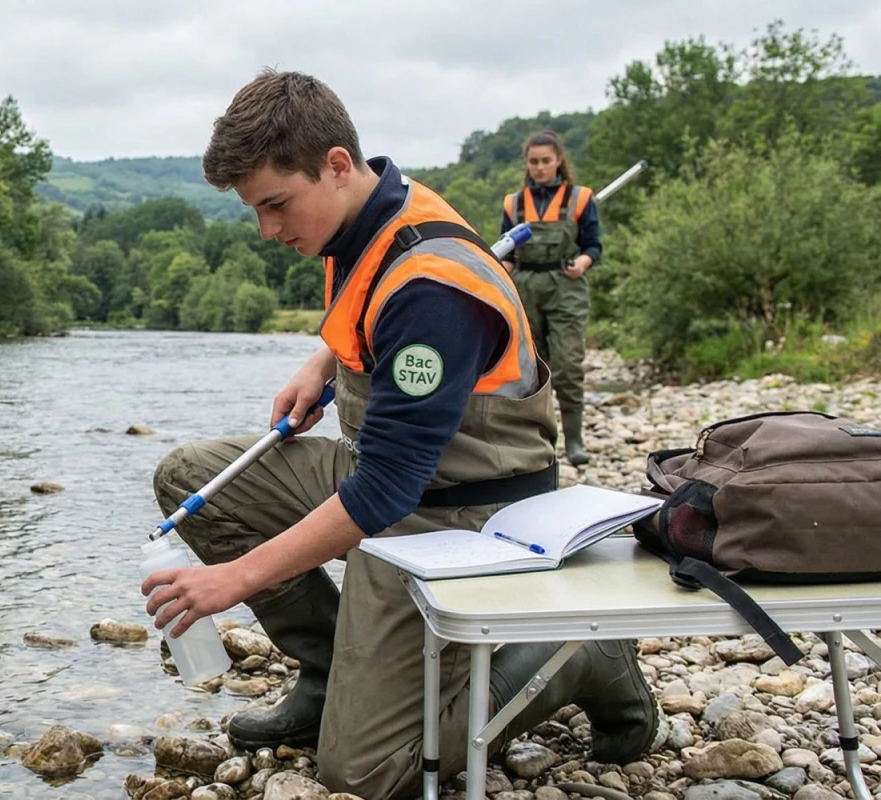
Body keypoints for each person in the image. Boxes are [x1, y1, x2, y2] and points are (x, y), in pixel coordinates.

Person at [141, 70, 659, 799]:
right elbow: (373, 312)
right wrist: (322, 360)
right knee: (191, 479)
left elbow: (386, 489)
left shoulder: (430, 288)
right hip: (390, 477)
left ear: (337, 166)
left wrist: (236, 579)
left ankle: (573, 657)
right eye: (256, 210)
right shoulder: (365, 216)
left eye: (276, 205)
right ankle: (329, 674)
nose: (268, 230)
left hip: (460, 513)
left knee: (368, 773)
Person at [500, 130, 603, 467]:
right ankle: (542, 441)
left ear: (559, 160)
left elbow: (594, 246)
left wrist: (583, 261)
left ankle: (574, 440)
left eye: (546, 161)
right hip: (526, 287)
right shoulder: (513, 203)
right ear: (526, 164)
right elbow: (508, 253)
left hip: (566, 285)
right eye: (534, 162)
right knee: (531, 369)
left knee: (568, 364)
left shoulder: (581, 199)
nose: (540, 167)